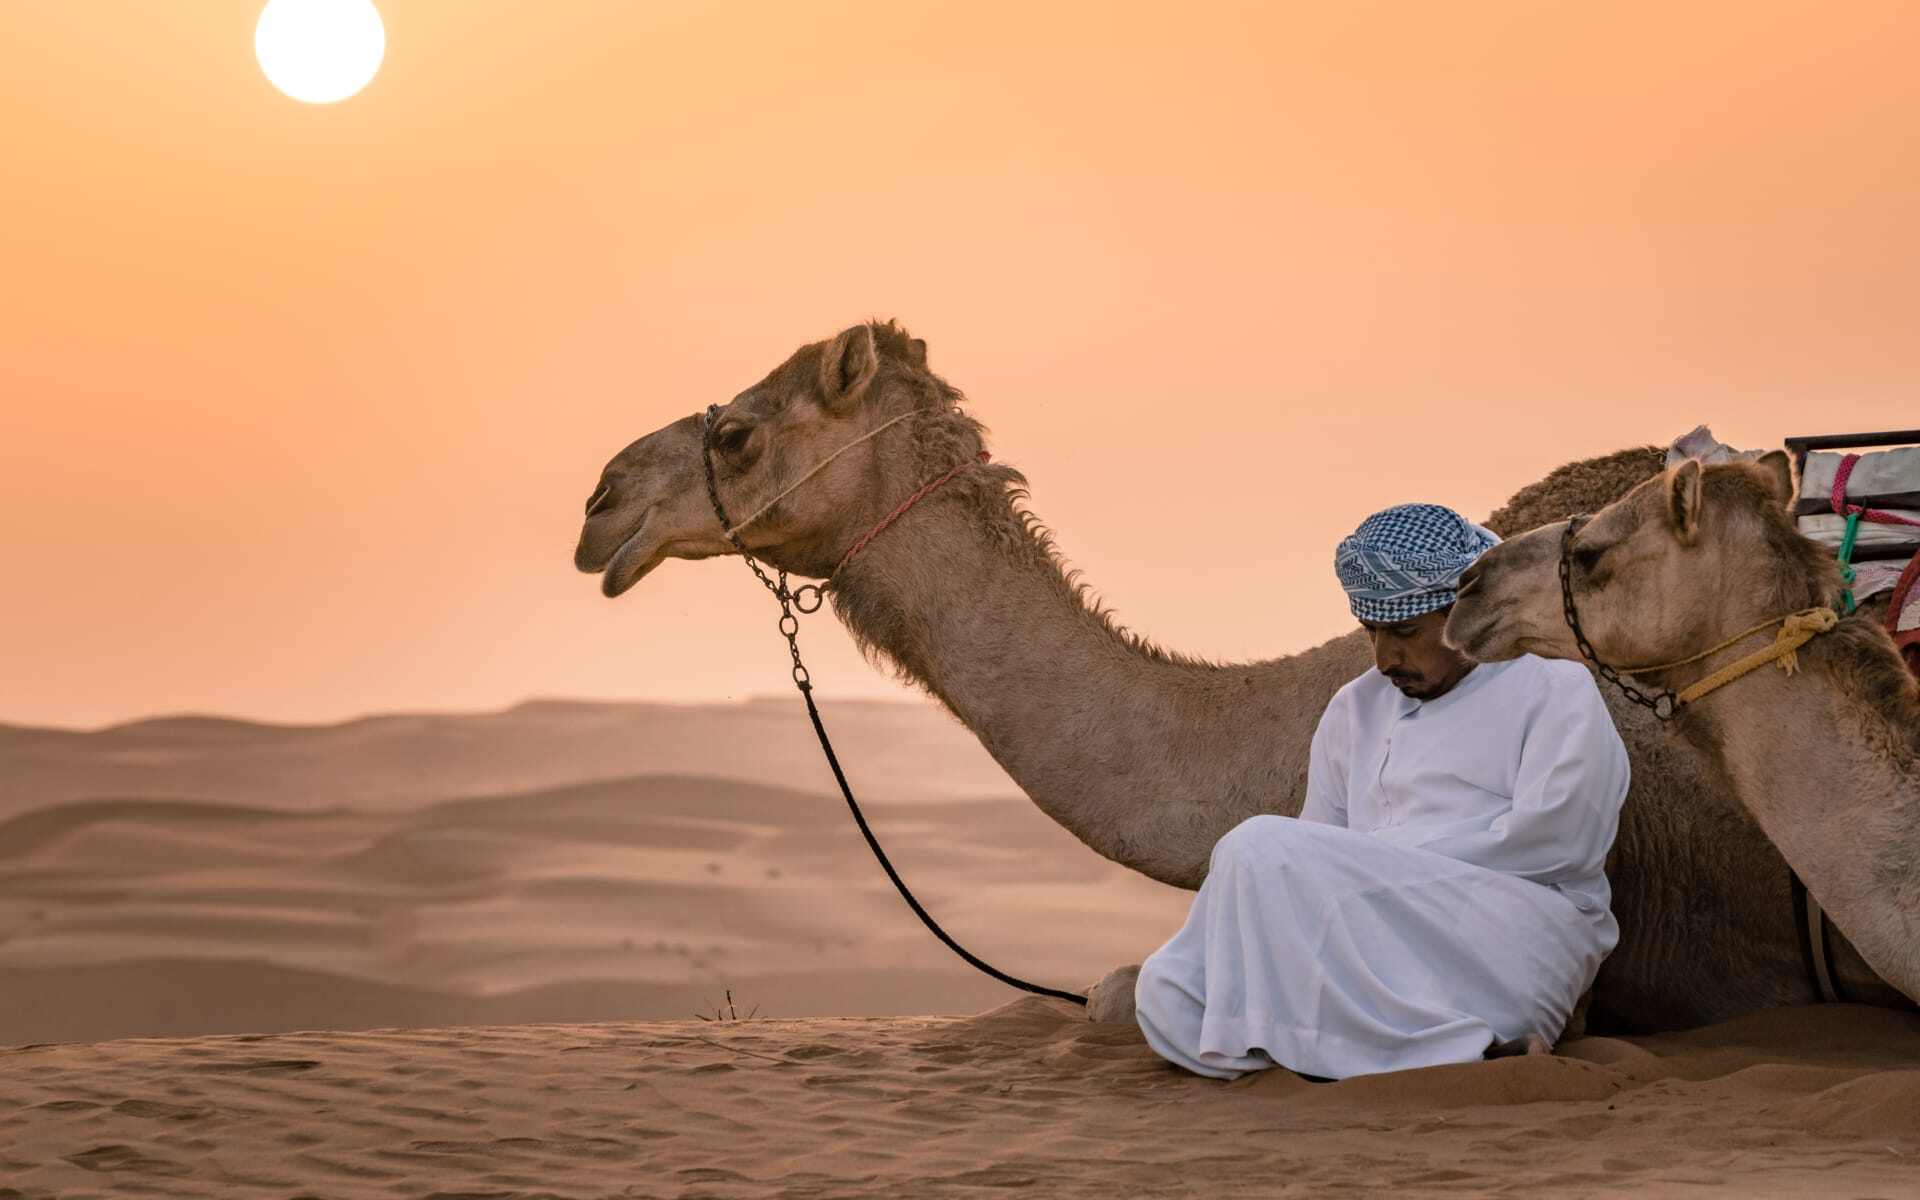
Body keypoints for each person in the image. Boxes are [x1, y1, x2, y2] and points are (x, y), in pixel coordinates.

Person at [1133, 503, 1630, 1080]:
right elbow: (1319, 851)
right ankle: (1433, 1049)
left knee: (1258, 847)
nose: (1384, 658)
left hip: (1511, 936)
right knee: (1165, 991)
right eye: (1372, 633)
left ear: (1462, 613)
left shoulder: (1552, 686)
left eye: (1404, 633)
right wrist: (1356, 877)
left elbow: (1562, 844)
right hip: (1368, 938)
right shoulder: (1355, 708)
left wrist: (1376, 868)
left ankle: (1357, 1043)